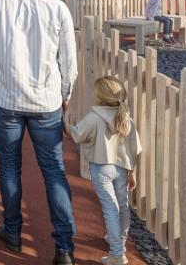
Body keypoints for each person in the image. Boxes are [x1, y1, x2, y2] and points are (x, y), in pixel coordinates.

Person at [0, 0, 78, 264]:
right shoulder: (57, 7)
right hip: (46, 100)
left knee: (8, 165)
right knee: (54, 170)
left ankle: (13, 230)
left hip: (6, 97)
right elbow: (68, 59)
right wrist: (66, 92)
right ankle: (64, 247)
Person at [68, 77, 142, 265]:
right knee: (122, 206)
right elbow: (135, 148)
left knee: (110, 207)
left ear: (99, 96)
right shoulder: (126, 117)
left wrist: (66, 120)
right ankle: (118, 242)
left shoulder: (94, 117)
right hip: (122, 167)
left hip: (101, 168)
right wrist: (132, 172)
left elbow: (77, 135)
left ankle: (117, 254)